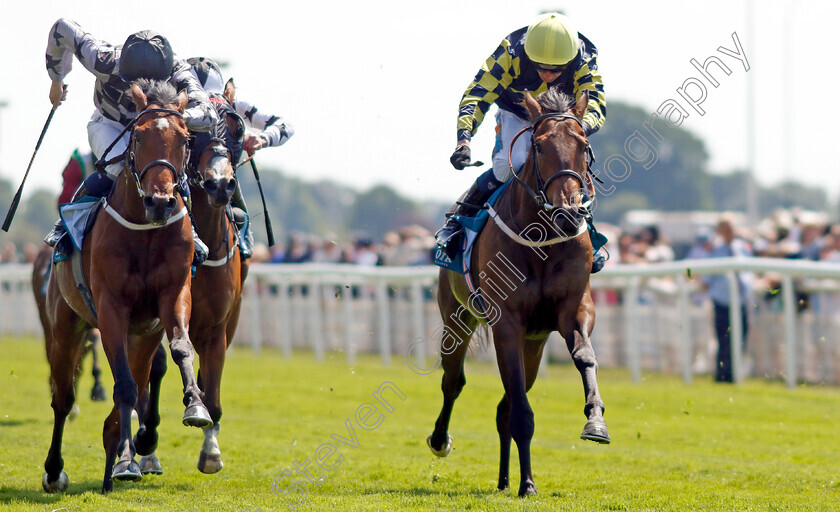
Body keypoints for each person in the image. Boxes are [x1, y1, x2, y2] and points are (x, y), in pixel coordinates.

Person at [435, 12, 607, 271]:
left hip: (562, 119)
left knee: (569, 168)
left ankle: (589, 234)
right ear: (528, 54)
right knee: (509, 165)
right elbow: (477, 95)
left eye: (556, 70)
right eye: (540, 67)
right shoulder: (511, 52)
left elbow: (596, 101)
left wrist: (577, 128)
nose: (548, 76)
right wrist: (464, 140)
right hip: (518, 114)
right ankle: (458, 222)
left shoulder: (584, 56)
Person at [43, 19, 217, 252]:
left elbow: (210, 115)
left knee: (171, 170)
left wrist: (174, 115)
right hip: (109, 123)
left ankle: (190, 230)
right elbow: (61, 28)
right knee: (117, 167)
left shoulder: (180, 70)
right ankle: (68, 223)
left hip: (156, 128)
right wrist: (56, 80)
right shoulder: (102, 58)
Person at [186, 57, 295, 258]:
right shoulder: (177, 104)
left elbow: (285, 125)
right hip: (182, 176)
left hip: (219, 173)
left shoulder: (233, 104)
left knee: (236, 204)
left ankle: (242, 236)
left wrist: (262, 138)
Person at [701, 214, 753, 383]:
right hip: (722, 301)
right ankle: (723, 375)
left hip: (741, 300)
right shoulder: (715, 251)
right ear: (720, 231)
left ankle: (737, 372)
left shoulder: (743, 248)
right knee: (723, 339)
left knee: (741, 336)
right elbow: (708, 278)